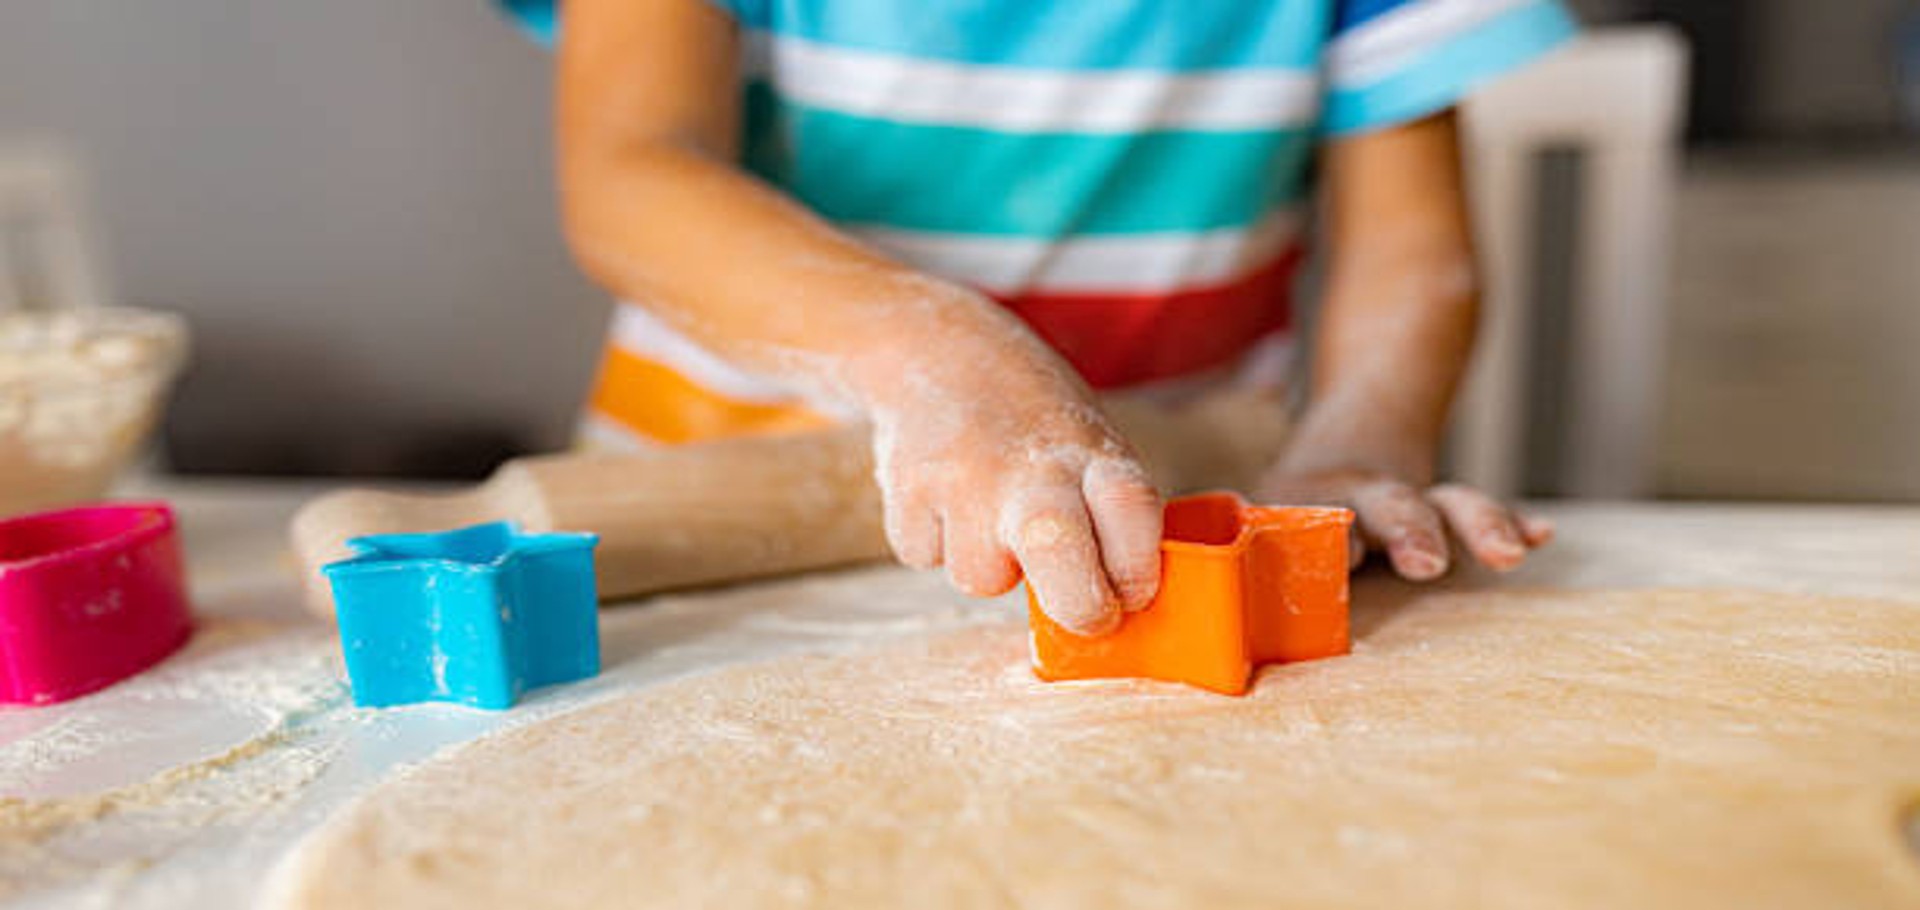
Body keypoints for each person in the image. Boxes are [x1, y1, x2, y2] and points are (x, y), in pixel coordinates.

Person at [500, 0, 1574, 634]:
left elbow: (1409, 253)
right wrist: (931, 351)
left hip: (1155, 542)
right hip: (702, 531)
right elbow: (630, 173)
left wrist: (1353, 447)